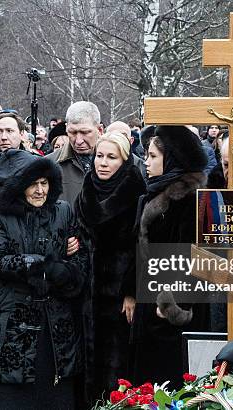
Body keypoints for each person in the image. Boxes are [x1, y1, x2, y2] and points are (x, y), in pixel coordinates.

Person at [0, 149, 88, 410]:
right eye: (33, 184)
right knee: (13, 390)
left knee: (55, 386)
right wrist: (43, 265)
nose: (40, 191)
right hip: (13, 315)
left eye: (44, 183)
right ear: (19, 187)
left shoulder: (62, 210)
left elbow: (79, 257)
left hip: (56, 314)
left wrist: (65, 271)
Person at [131, 125, 210, 384]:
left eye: (153, 156)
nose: (146, 162)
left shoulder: (189, 200)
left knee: (172, 383)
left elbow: (194, 258)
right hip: (150, 306)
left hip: (171, 316)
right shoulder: (153, 193)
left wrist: (171, 306)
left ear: (172, 158)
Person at [74, 132, 146, 397]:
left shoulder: (138, 195)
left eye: (111, 157)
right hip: (88, 295)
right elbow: (77, 235)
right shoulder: (86, 191)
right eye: (99, 156)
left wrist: (132, 291)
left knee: (119, 369)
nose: (102, 163)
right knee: (89, 365)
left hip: (120, 297)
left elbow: (143, 248)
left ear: (125, 161)